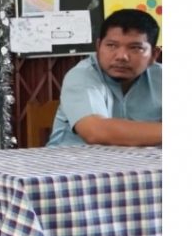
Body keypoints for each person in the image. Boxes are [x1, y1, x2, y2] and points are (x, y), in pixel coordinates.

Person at [48, 8, 162, 147]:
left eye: (135, 48)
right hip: (73, 165)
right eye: (111, 45)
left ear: (154, 55)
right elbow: (96, 132)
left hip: (141, 165)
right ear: (98, 46)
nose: (121, 56)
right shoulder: (81, 75)